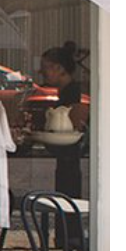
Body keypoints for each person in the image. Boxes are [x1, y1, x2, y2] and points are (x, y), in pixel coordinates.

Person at [38, 41, 91, 200]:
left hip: (70, 158)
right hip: (66, 159)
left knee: (67, 201)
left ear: (59, 69)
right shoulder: (67, 92)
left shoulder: (73, 94)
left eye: (46, 67)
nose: (41, 71)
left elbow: (74, 126)